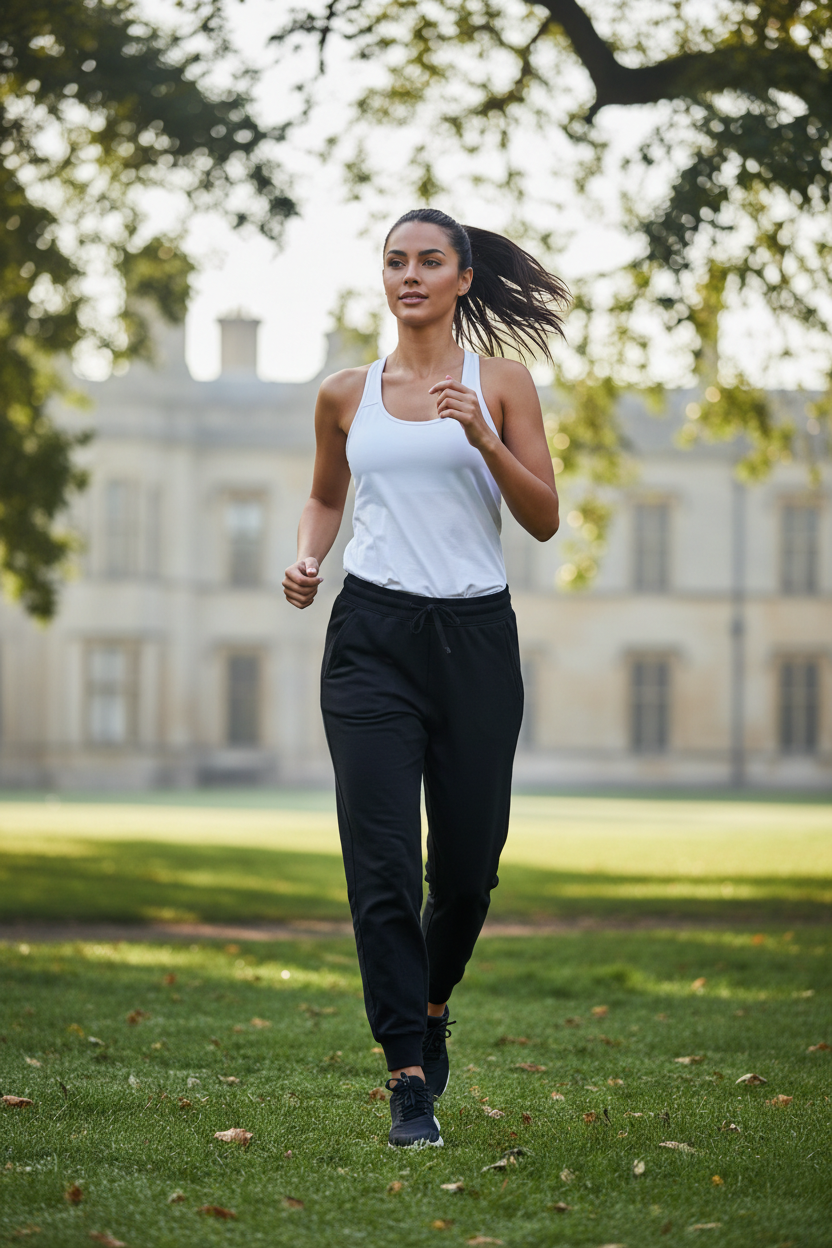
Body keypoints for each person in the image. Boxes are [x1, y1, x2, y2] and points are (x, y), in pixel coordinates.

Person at [283, 208, 568, 1148]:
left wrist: (485, 437)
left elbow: (544, 521)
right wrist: (307, 558)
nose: (410, 275)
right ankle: (408, 1073)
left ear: (463, 279)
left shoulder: (506, 385)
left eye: (429, 261)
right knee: (382, 865)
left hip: (476, 639)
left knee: (470, 873)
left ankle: (434, 1002)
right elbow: (328, 494)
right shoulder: (343, 393)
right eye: (396, 261)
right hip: (371, 635)